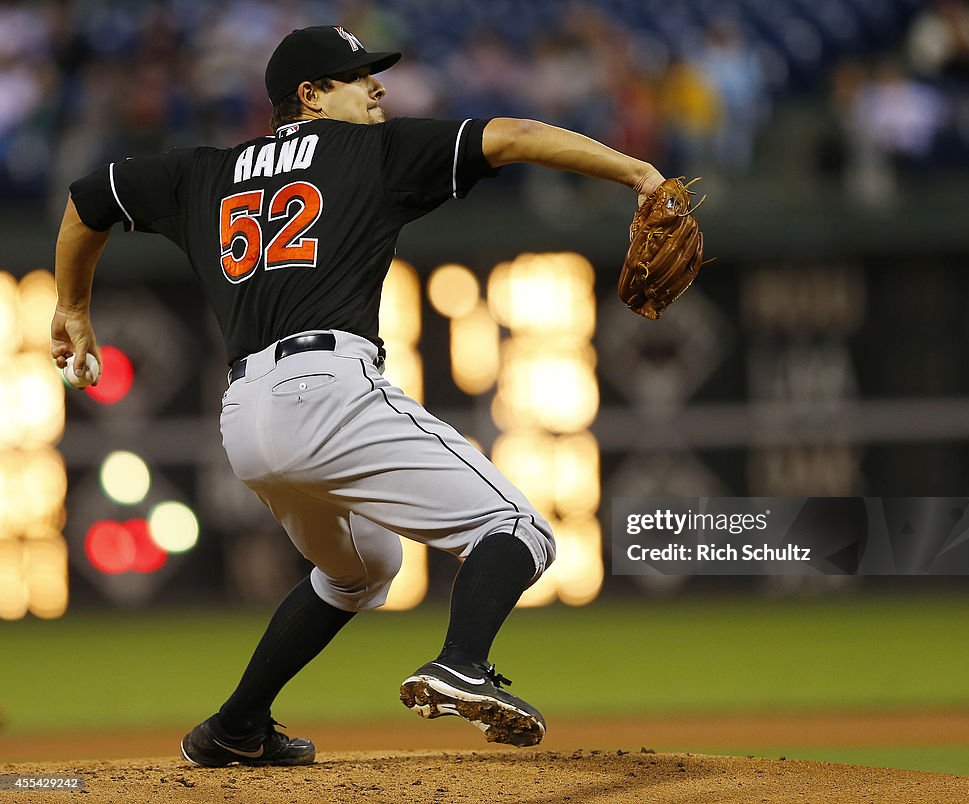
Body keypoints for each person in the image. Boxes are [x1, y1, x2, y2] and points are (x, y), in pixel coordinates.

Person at [52, 25, 666, 766]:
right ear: (308, 97)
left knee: (361, 568)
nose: (375, 87)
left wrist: (74, 308)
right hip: (329, 390)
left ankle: (235, 728)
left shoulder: (202, 171)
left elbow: (90, 198)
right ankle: (462, 663)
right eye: (355, 77)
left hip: (247, 420)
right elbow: (519, 133)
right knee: (519, 529)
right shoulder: (373, 152)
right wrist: (639, 173)